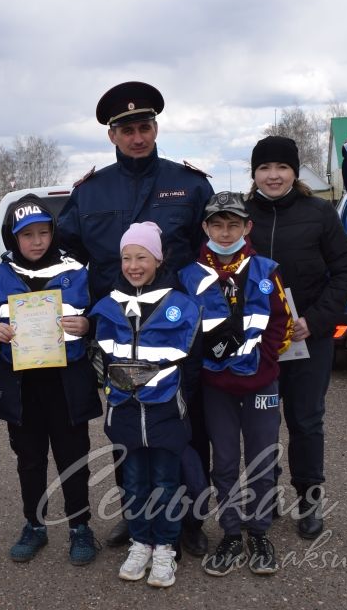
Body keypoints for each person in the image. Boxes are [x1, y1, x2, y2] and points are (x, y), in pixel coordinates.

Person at [58, 81, 214, 552]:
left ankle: (188, 521)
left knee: (188, 425)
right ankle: (135, 516)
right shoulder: (90, 191)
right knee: (127, 425)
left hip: (176, 333)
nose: (137, 136)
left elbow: (214, 248)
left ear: (155, 128)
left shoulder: (189, 184)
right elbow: (66, 254)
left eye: (144, 126)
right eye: (127, 129)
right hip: (117, 332)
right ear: (112, 135)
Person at [244, 136, 347, 540]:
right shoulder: (239, 215)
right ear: (254, 173)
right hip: (256, 343)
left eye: (281, 168)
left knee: (306, 421)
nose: (273, 176)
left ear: (295, 171)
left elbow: (346, 270)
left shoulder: (320, 213)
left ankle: (309, 500)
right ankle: (265, 493)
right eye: (264, 168)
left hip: (308, 338)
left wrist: (317, 320)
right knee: (260, 420)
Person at [177, 192, 292, 576]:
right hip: (216, 385)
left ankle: (259, 531)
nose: (225, 232)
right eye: (217, 224)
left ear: (247, 227)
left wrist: (265, 362)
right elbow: (185, 328)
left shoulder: (265, 269)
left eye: (233, 224)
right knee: (224, 461)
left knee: (261, 458)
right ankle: (228, 530)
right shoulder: (190, 274)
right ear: (205, 228)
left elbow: (282, 323)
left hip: (261, 383)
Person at [0, 195, 102, 566]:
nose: (36, 241)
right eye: (27, 235)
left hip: (67, 384)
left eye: (43, 233)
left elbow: (100, 315)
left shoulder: (78, 271)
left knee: (73, 456)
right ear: (13, 237)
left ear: (54, 233)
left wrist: (88, 326)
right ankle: (34, 524)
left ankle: (80, 525)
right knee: (30, 460)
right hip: (23, 387)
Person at [90, 222, 200, 588]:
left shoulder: (180, 304)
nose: (134, 265)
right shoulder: (107, 306)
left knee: (167, 483)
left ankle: (166, 547)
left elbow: (192, 362)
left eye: (142, 256)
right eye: (126, 257)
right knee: (135, 483)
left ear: (158, 257)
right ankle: (141, 542)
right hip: (124, 412)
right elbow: (100, 358)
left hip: (165, 412)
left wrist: (181, 398)